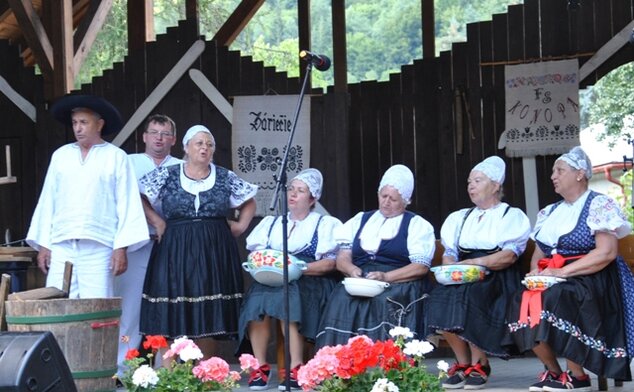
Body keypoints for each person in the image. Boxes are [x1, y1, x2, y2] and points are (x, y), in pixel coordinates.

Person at [503, 146, 634, 392]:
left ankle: (579, 376)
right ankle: (554, 372)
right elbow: (539, 255)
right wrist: (536, 276)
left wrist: (561, 273)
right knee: (521, 300)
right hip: (556, 276)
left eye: (560, 170)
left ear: (580, 174)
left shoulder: (598, 204)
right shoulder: (550, 212)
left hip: (594, 277)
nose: (553, 175)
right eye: (553, 171)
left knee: (559, 297)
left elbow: (606, 252)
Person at [139, 124, 257, 358]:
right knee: (172, 307)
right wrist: (158, 222)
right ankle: (171, 377)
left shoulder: (224, 176)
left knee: (209, 311)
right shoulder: (168, 174)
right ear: (186, 147)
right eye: (199, 143)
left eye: (209, 144)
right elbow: (140, 195)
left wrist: (241, 225)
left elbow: (249, 201)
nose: (204, 148)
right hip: (175, 246)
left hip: (214, 247)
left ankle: (206, 373)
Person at [422, 156, 531, 390]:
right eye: (469, 181)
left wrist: (476, 263)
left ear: (496, 185)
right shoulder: (459, 217)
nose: (471, 185)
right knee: (440, 296)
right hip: (464, 273)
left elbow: (508, 256)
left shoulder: (511, 215)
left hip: (497, 276)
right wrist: (452, 266)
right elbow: (450, 253)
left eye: (478, 180)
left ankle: (479, 363)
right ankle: (462, 364)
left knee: (472, 296)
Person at [26, 94, 149, 298]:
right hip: (62, 245)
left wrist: (120, 248)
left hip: (99, 247)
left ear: (99, 124)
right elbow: (48, 201)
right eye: (75, 123)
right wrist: (44, 244)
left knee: (97, 308)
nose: (78, 128)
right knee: (57, 305)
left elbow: (127, 203)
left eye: (84, 122)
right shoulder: (61, 156)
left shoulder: (115, 157)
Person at [238, 168, 343, 390]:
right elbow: (256, 254)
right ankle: (260, 366)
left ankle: (295, 367)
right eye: (291, 189)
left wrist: (298, 268)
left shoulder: (325, 225)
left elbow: (330, 264)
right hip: (274, 277)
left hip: (309, 279)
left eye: (300, 191)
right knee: (257, 296)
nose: (293, 195)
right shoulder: (273, 223)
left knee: (290, 297)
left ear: (313, 197)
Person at [315, 164, 436, 348]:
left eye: (393, 199)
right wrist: (351, 269)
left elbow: (420, 267)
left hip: (398, 281)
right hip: (362, 278)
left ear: (406, 200)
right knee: (341, 298)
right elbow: (343, 257)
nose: (386, 202)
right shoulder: (360, 219)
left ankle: (384, 363)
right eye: (383, 196)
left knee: (383, 301)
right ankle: (342, 364)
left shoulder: (416, 225)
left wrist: (386, 277)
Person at [114, 114, 181, 377]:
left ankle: (167, 370)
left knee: (170, 305)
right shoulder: (129, 163)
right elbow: (124, 197)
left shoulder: (181, 166)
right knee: (129, 307)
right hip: (135, 244)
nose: (159, 138)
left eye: (165, 134)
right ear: (144, 136)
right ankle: (122, 369)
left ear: (173, 140)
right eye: (154, 132)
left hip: (171, 246)